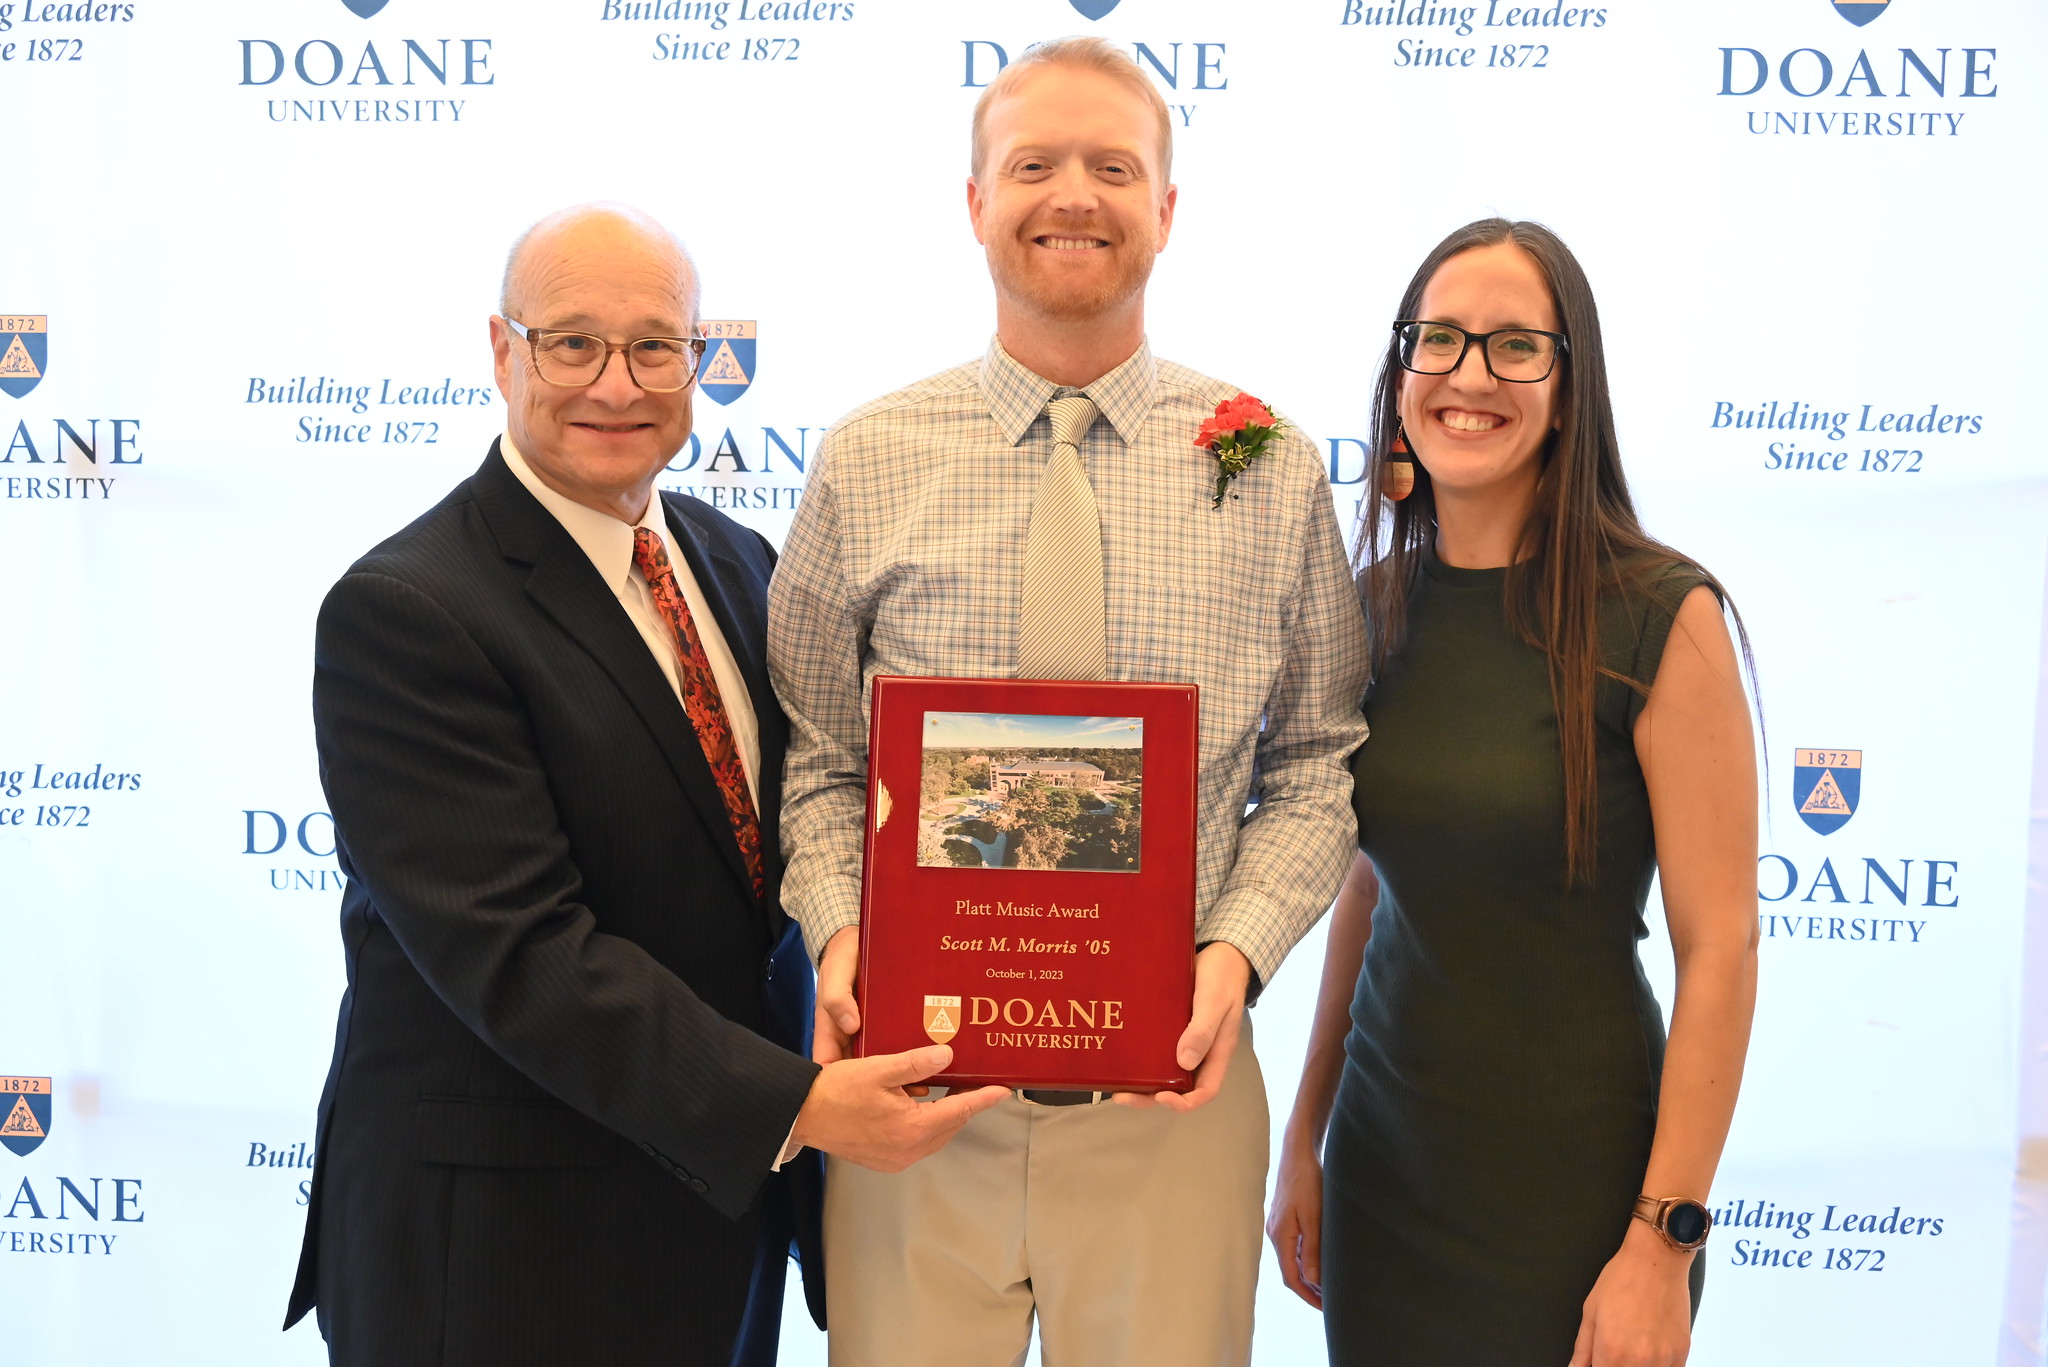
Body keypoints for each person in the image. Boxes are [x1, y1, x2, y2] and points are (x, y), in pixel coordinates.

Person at [283, 203, 1007, 1367]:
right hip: (502, 1245)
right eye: (571, 342)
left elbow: (804, 827)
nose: (615, 382)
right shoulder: (409, 611)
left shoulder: (734, 559)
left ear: (696, 359)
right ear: (501, 351)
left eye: (653, 345)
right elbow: (522, 955)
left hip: (715, 1216)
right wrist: (803, 1106)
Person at [767, 37, 1370, 1367]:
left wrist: (1237, 953)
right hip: (913, 1102)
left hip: (1173, 1100)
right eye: (1032, 163)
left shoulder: (1268, 461)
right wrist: (839, 929)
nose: (1073, 195)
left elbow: (1322, 764)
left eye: (1114, 165)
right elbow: (815, 758)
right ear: (973, 202)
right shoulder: (868, 458)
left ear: (1168, 209)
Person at [1266, 218, 1761, 1367]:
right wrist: (1305, 1133)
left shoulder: (1659, 615)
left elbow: (1721, 946)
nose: (1468, 376)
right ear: (1398, 379)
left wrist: (1660, 1242)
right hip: (1385, 1174)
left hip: (1580, 1195)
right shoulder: (1373, 605)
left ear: (1566, 383)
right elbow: (1370, 886)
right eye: (1435, 341)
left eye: (1512, 347)